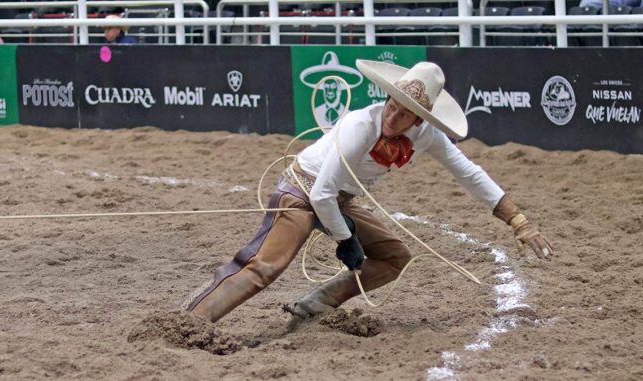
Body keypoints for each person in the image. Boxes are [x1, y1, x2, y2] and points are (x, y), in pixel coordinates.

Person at [179, 60, 554, 324]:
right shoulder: (361, 125)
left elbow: (470, 174)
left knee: (394, 258)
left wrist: (518, 220)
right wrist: (346, 240)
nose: (393, 117)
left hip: (338, 200)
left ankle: (318, 303)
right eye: (392, 105)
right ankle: (190, 320)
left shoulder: (429, 137)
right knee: (265, 266)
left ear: (420, 120)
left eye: (404, 114)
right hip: (302, 191)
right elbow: (321, 192)